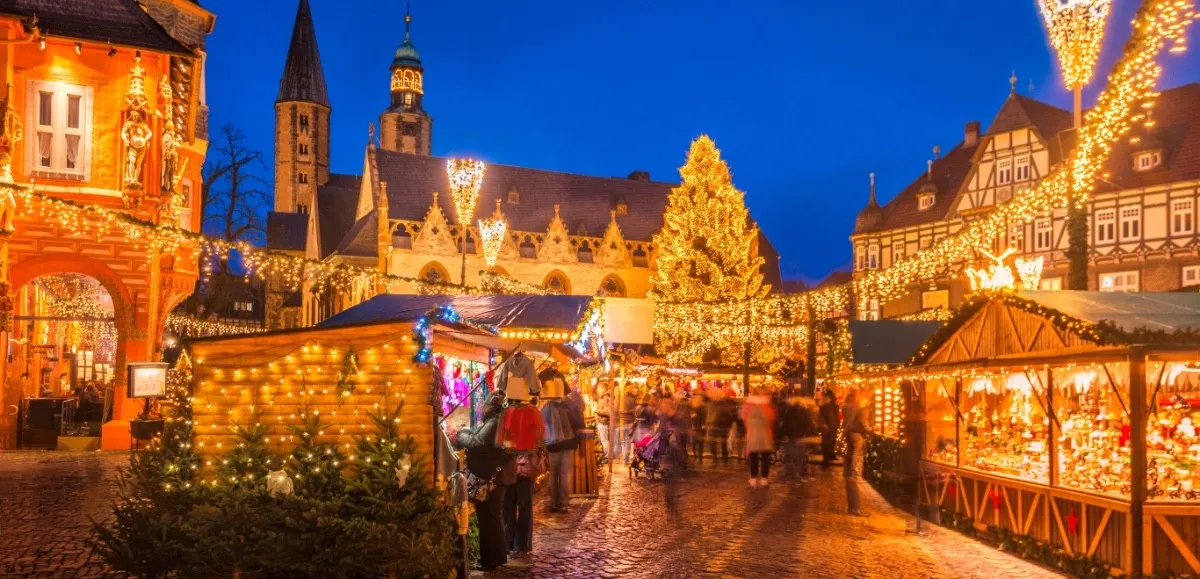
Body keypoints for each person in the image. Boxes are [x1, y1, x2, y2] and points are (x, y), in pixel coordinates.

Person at [455, 392, 514, 570]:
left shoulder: (494, 422)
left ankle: (490, 560)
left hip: (489, 479)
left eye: (486, 405)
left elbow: (477, 442)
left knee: (489, 518)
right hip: (493, 477)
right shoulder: (499, 421)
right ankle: (497, 557)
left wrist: (462, 433)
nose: (483, 408)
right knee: (493, 517)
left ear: (492, 406)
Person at [543, 386, 585, 513]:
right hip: (568, 444)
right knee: (564, 474)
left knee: (553, 474)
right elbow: (580, 424)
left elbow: (542, 426)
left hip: (552, 445)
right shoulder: (570, 405)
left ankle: (553, 503)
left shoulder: (546, 406)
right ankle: (563, 504)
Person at [506, 448, 542, 556]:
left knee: (523, 509)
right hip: (509, 466)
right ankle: (510, 544)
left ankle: (520, 545)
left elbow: (542, 442)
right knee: (509, 507)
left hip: (524, 467)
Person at [740, 388, 778, 487]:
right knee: (765, 458)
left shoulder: (747, 407)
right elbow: (772, 422)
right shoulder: (768, 408)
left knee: (753, 458)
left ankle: (753, 478)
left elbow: (744, 421)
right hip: (766, 435)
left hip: (752, 435)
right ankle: (764, 478)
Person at [842, 390, 870, 516]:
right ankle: (855, 509)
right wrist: (869, 429)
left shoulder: (853, 409)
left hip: (850, 435)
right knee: (854, 476)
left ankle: (853, 508)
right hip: (856, 435)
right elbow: (864, 423)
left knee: (850, 477)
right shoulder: (863, 409)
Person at [705, 390, 735, 462]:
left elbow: (729, 415)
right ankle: (715, 456)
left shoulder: (724, 404)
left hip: (722, 426)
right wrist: (707, 423)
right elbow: (708, 414)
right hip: (713, 426)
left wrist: (729, 425)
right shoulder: (711, 404)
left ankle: (724, 456)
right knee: (713, 443)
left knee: (723, 443)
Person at [819, 390, 840, 468]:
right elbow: (823, 418)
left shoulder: (830, 407)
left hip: (830, 427)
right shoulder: (830, 407)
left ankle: (827, 459)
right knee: (828, 443)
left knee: (828, 443)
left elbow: (834, 417)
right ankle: (826, 459)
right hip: (829, 428)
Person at [619, 388, 637, 463]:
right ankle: (628, 457)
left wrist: (623, 413)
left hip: (622, 422)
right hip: (630, 422)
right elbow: (635, 411)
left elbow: (619, 410)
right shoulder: (633, 400)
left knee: (623, 441)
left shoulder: (621, 399)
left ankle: (625, 458)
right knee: (629, 441)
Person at [595, 386, 613, 460]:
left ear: (602, 389)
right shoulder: (604, 398)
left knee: (604, 440)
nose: (598, 391)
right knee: (605, 440)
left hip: (603, 422)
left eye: (599, 389)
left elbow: (608, 412)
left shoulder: (605, 398)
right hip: (603, 422)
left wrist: (596, 410)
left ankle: (607, 456)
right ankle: (607, 455)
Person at [689, 393, 707, 462]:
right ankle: (695, 456)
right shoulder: (692, 408)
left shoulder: (702, 408)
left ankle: (700, 457)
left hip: (699, 428)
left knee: (700, 443)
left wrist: (703, 424)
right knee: (694, 443)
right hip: (693, 428)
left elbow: (704, 417)